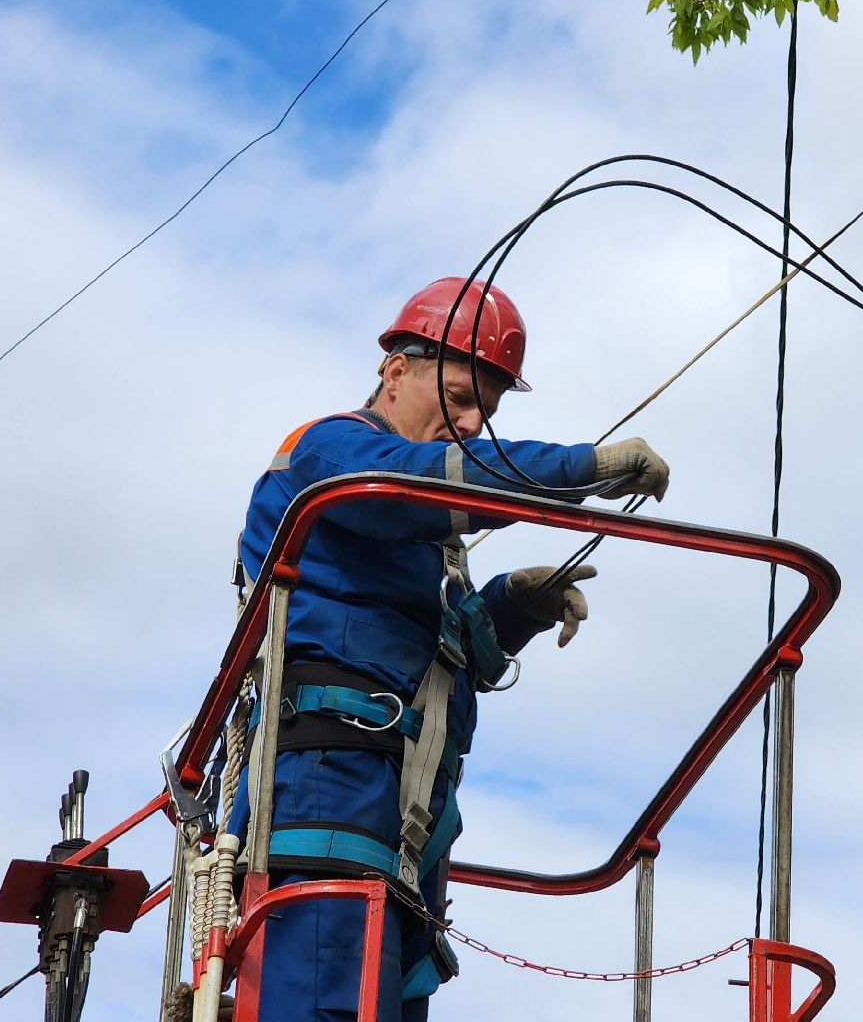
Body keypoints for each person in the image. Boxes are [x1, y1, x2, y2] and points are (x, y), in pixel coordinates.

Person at [228, 277, 671, 1022]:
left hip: (405, 833)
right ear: (395, 371)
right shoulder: (328, 451)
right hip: (325, 798)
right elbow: (404, 488)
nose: (471, 423)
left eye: (488, 413)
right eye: (460, 397)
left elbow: (425, 644)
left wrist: (507, 611)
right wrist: (575, 469)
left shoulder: (422, 539)